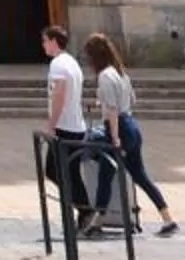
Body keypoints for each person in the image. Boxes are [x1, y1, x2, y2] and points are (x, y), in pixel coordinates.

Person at [83, 30, 177, 237]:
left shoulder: (105, 76)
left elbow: (112, 110)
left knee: (106, 173)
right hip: (132, 125)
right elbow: (131, 100)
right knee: (140, 175)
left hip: (119, 129)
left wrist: (115, 137)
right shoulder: (121, 73)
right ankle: (167, 218)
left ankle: (97, 220)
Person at [41, 24, 94, 232]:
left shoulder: (58, 65)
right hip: (76, 125)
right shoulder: (71, 62)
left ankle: (83, 209)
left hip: (65, 127)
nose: (44, 45)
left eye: (45, 41)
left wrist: (51, 125)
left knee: (57, 171)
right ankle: (81, 210)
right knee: (68, 172)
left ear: (54, 41)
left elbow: (59, 95)